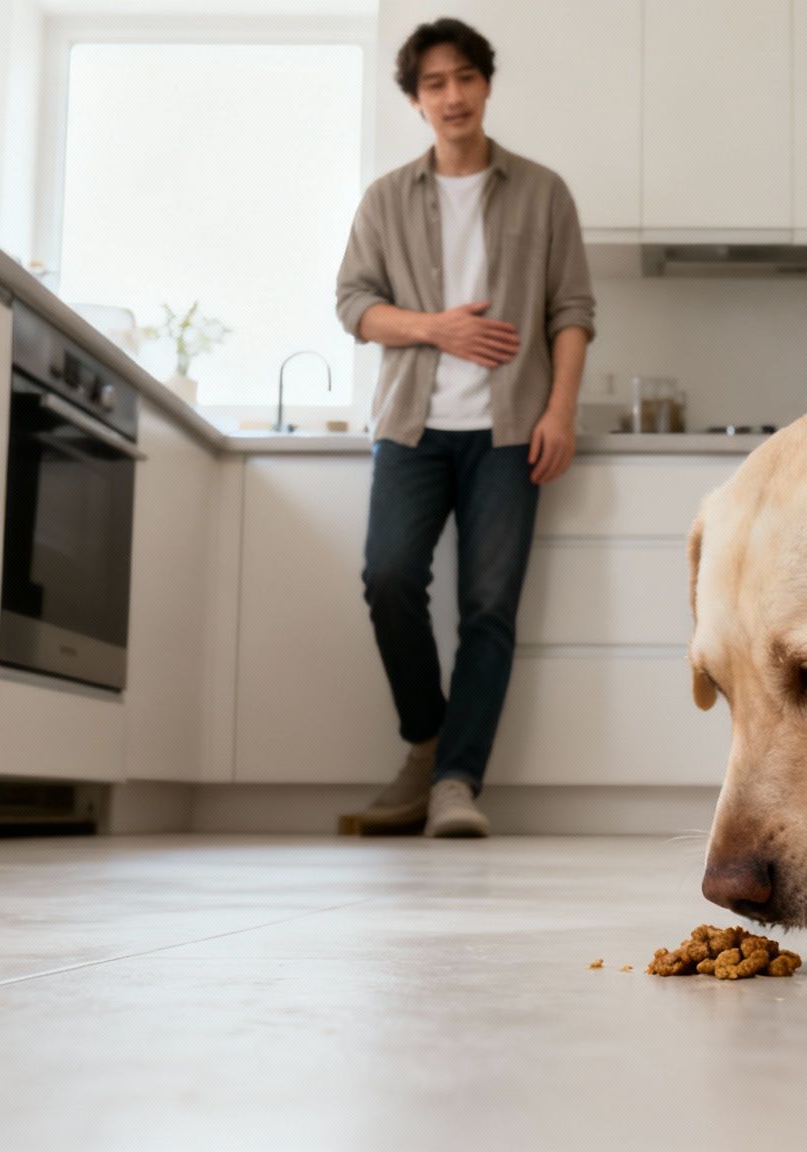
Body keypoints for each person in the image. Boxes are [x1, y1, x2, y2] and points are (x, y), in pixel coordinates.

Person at [335, 18, 594, 838]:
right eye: (435, 84)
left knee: (488, 609)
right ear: (415, 101)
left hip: (512, 432)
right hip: (412, 428)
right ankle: (426, 738)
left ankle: (454, 783)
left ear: (486, 85)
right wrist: (434, 328)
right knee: (388, 578)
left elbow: (573, 309)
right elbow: (354, 307)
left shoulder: (543, 191)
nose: (453, 96)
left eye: (465, 78)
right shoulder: (384, 199)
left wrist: (559, 410)